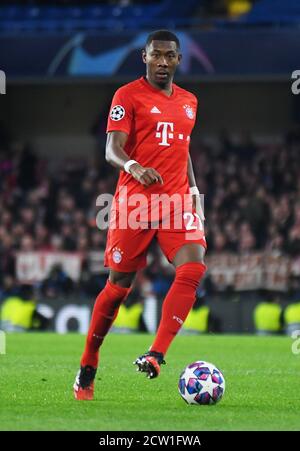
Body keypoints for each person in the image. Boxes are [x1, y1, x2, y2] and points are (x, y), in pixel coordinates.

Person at [73, 30, 207, 401]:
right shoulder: (127, 95)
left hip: (176, 203)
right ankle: (88, 363)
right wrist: (134, 166)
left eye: (169, 56)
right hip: (135, 203)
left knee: (193, 267)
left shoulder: (189, 102)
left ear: (179, 60)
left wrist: (194, 194)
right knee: (118, 288)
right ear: (144, 57)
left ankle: (157, 353)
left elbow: (183, 150)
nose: (162, 62)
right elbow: (111, 150)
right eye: (156, 55)